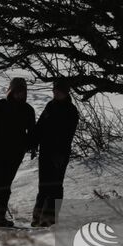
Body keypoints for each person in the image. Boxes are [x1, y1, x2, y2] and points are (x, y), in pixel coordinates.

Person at [0, 77, 36, 229]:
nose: (20, 94)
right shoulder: (0, 106)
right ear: (11, 91)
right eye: (17, 91)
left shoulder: (28, 110)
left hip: (15, 154)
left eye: (22, 92)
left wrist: (30, 146)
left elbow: (32, 132)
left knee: (6, 186)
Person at [31, 79, 79, 227]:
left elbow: (67, 135)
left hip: (60, 153)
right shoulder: (50, 106)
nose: (56, 93)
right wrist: (33, 144)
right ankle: (37, 217)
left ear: (66, 92)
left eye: (59, 91)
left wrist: (60, 153)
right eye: (54, 90)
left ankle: (49, 219)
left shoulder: (71, 110)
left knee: (55, 186)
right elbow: (40, 126)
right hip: (45, 151)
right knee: (43, 185)